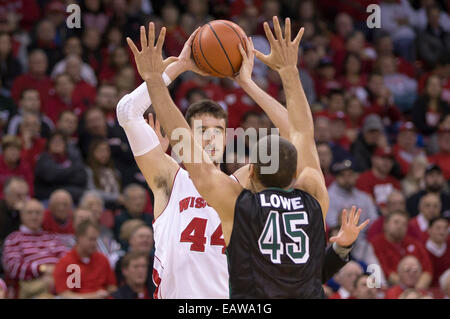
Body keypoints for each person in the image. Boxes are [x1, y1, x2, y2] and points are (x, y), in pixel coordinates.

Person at [126, 17, 370, 298]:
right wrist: (285, 72)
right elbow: (301, 132)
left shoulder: (238, 204)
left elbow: (191, 154)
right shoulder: (312, 196)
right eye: (202, 131)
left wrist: (156, 81)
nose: (209, 138)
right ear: (296, 174)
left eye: (217, 131)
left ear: (251, 172)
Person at [1, 199, 67, 299]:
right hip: (31, 286)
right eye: (30, 212)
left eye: (37, 213)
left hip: (58, 280)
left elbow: (67, 260)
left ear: (43, 216)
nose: (34, 216)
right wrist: (42, 269)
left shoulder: (52, 237)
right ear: (22, 215)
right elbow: (13, 267)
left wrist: (55, 272)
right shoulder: (13, 238)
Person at [326, 159, 378, 261]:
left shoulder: (364, 197)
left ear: (356, 176)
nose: (347, 179)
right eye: (343, 175)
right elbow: (332, 225)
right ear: (336, 177)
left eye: (350, 175)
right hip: (338, 242)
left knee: (374, 267)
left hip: (361, 242)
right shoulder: (328, 196)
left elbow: (374, 221)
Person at [367, 210, 433, 289]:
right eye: (396, 222)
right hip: (389, 288)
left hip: (417, 289)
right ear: (385, 225)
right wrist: (405, 289)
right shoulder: (376, 244)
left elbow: (427, 270)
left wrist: (417, 290)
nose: (400, 226)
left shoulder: (415, 243)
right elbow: (384, 271)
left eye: (404, 224)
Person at [53, 219, 117, 299]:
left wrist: (107, 292)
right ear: (79, 238)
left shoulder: (102, 259)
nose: (94, 243)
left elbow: (112, 287)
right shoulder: (66, 263)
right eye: (91, 239)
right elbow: (64, 294)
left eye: (96, 239)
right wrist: (93, 296)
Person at [34, 131, 87, 203]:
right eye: (54, 141)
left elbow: (82, 177)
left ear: (65, 145)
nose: (57, 144)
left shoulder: (72, 158)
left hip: (74, 197)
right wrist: (71, 171)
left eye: (60, 141)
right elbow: (50, 176)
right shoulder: (43, 159)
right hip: (48, 198)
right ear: (48, 144)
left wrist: (60, 175)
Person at [115, 223, 154, 297]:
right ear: (131, 240)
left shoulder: (158, 263)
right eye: (141, 237)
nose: (145, 240)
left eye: (149, 237)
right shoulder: (121, 262)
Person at [85, 138, 122, 209]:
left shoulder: (115, 172)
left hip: (117, 207)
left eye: (106, 151)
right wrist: (115, 197)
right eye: (100, 151)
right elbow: (92, 192)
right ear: (93, 153)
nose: (104, 154)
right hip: (100, 207)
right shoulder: (88, 171)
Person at [0, 177, 29, 248]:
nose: (23, 199)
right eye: (18, 195)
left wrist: (23, 213)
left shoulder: (28, 211)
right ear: (7, 195)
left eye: (25, 195)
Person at [425, 217, 450, 288]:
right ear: (429, 230)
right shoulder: (421, 250)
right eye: (438, 228)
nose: (442, 232)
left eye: (445, 228)